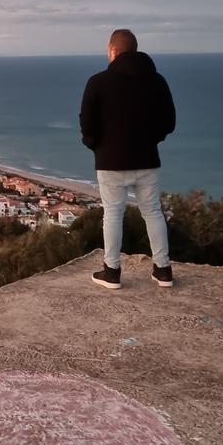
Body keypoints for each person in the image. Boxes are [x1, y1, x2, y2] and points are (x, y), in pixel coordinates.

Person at [79, 29, 176, 290]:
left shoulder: (98, 82)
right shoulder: (157, 81)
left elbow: (87, 123)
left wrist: (96, 146)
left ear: (112, 51)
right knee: (153, 212)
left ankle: (112, 272)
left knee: (112, 214)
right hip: (147, 158)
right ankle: (163, 269)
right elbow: (169, 122)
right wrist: (152, 140)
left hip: (110, 160)